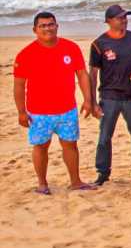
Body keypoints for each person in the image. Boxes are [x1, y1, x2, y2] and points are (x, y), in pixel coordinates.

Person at [14, 12, 95, 194]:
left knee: (70, 145)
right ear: (35, 30)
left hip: (67, 109)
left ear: (57, 26)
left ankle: (76, 181)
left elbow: (82, 74)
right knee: (41, 146)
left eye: (51, 24)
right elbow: (19, 85)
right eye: (42, 26)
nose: (47, 28)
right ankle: (42, 184)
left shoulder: (70, 48)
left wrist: (88, 100)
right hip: (38, 112)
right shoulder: (25, 54)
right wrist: (21, 111)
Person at [89, 4, 131, 185]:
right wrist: (92, 101)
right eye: (119, 17)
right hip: (109, 97)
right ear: (108, 21)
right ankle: (103, 173)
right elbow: (93, 74)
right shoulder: (99, 44)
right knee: (104, 137)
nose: (123, 20)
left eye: (125, 17)